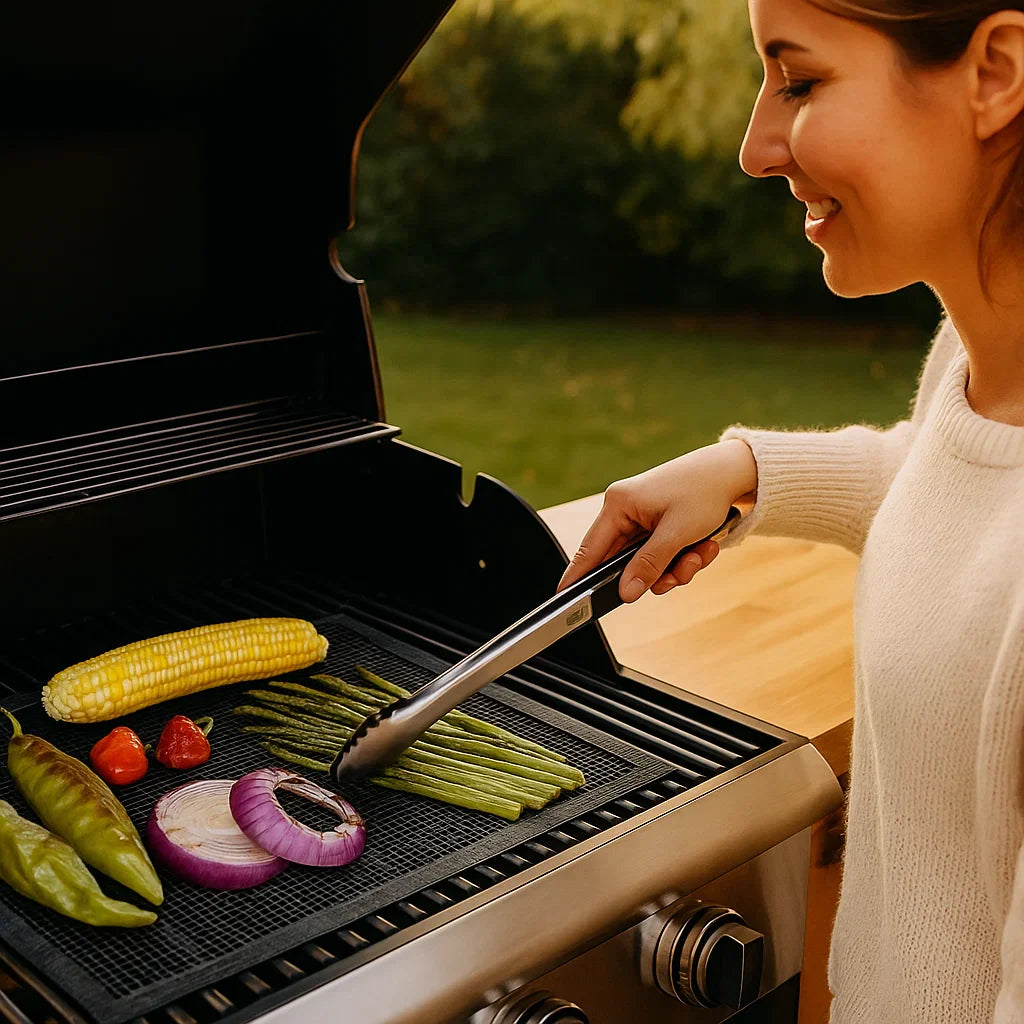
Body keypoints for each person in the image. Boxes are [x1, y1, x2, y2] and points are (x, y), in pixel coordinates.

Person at [557, 1, 1024, 1021]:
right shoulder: (981, 351)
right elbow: (962, 481)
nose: (755, 148)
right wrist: (745, 471)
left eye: (800, 81)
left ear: (995, 71)